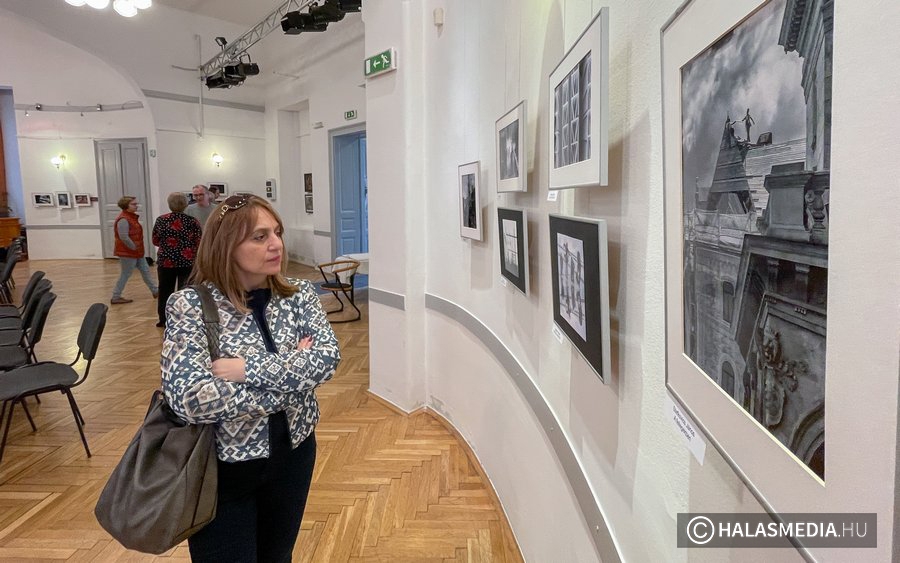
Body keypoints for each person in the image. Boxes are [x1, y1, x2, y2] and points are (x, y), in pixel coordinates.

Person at [161, 194, 341, 562]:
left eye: (277, 232)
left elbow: (327, 360)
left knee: (278, 556)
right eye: (259, 237)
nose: (276, 244)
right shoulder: (190, 305)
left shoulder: (300, 295)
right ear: (226, 244)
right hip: (222, 467)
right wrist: (293, 375)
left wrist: (246, 369)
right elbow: (190, 398)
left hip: (294, 453)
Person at [152, 192, 202, 327]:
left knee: (164, 291)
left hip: (166, 261)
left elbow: (155, 240)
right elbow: (198, 241)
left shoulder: (161, 220)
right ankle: (183, 317)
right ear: (185, 204)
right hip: (186, 260)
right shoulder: (192, 221)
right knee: (185, 291)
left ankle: (163, 319)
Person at [110, 196, 158, 305]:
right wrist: (133, 247)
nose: (136, 206)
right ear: (126, 206)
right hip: (127, 252)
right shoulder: (123, 219)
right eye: (133, 204)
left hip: (137, 251)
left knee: (145, 270)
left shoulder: (130, 217)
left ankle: (155, 290)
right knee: (126, 273)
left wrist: (136, 248)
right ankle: (116, 296)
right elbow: (124, 237)